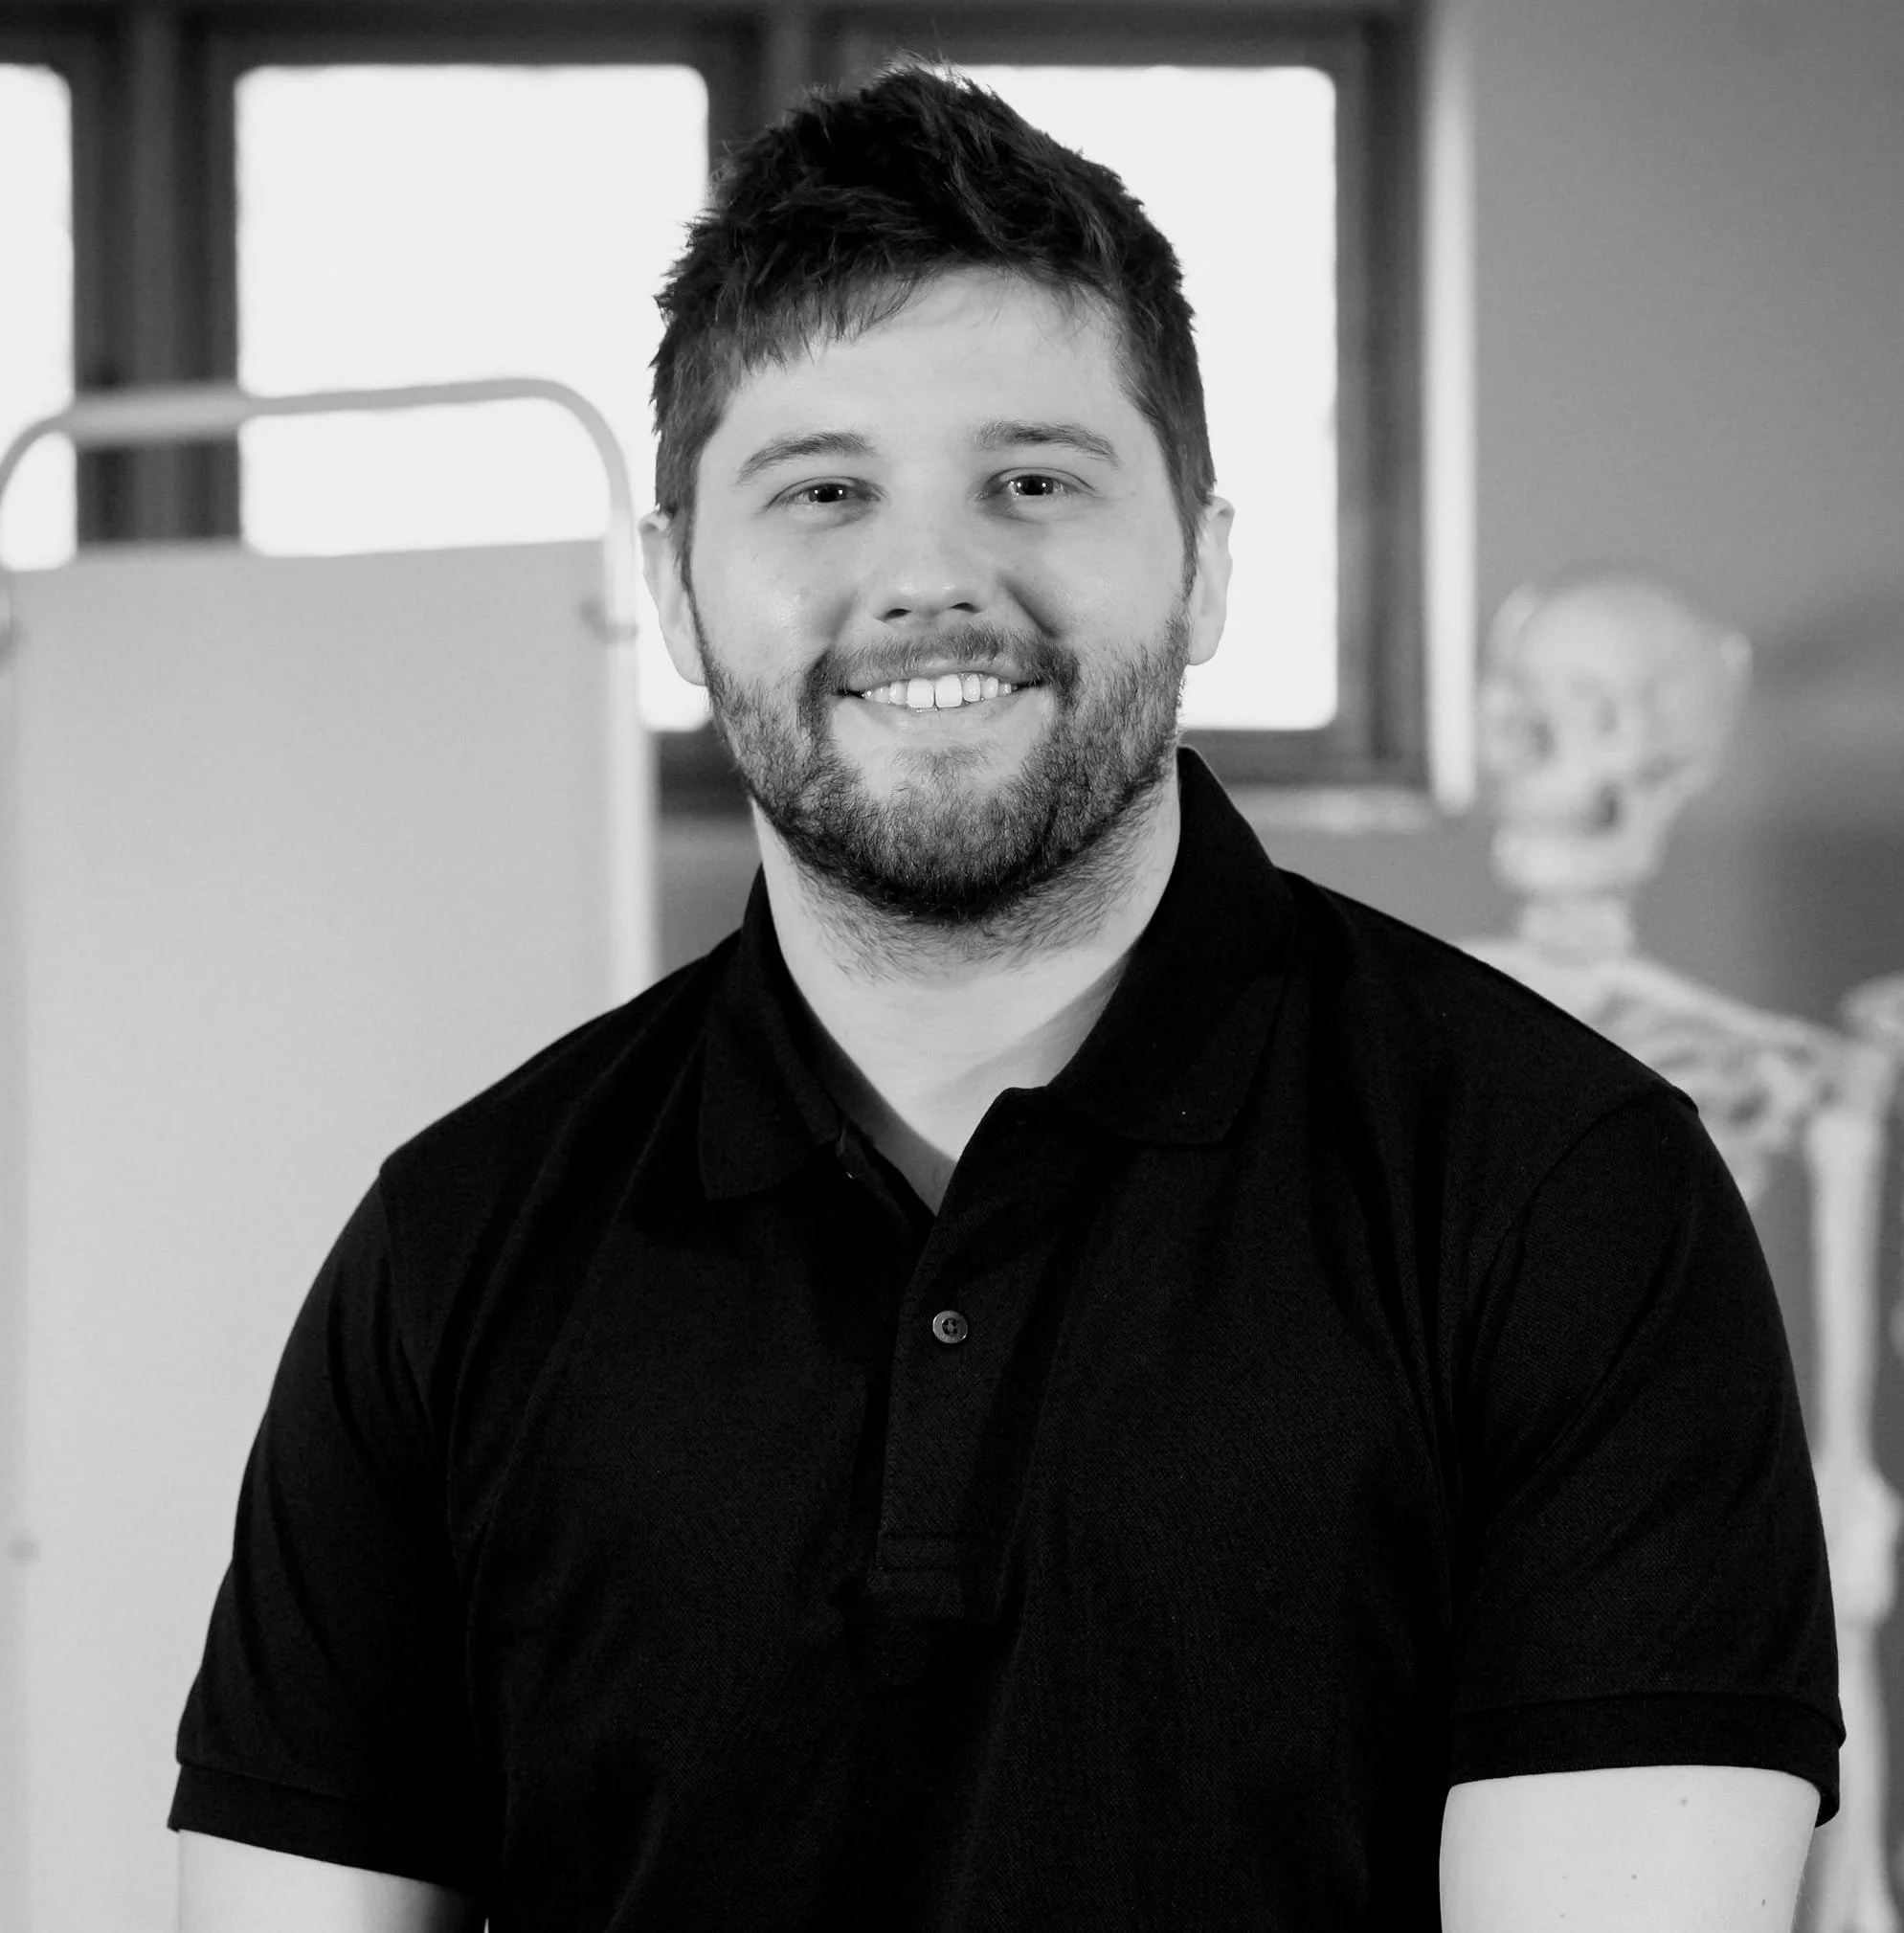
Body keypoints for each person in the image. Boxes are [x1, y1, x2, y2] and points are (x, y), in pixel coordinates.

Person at [171, 62, 1840, 1931]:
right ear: (675, 588)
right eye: (820, 490)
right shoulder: (451, 1248)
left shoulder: (1564, 1198)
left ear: (1204, 559)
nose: (931, 578)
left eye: (1033, 479)